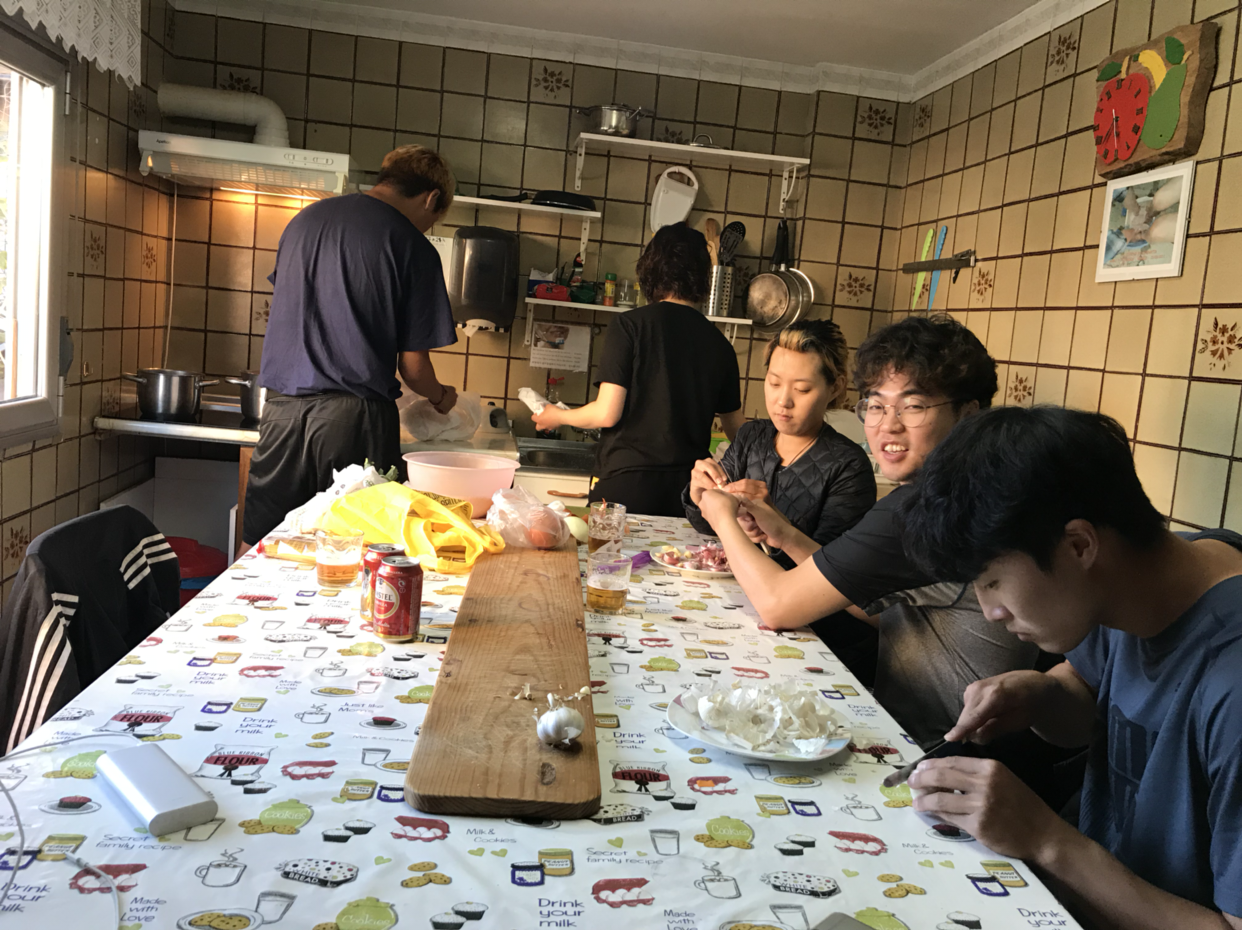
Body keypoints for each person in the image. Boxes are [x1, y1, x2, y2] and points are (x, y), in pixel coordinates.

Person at [900, 405, 1242, 930]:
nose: (990, 612)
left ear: (1079, 544)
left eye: (991, 582)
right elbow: (1091, 691)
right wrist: (1039, 694)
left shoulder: (1231, 682)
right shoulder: (1141, 577)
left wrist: (1045, 840)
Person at [695, 315, 1039, 746]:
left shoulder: (928, 508)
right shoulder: (972, 488)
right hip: (923, 735)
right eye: (876, 405)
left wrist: (721, 516)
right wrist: (784, 535)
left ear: (968, 415)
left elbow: (777, 606)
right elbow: (875, 603)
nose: (888, 425)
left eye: (913, 406)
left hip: (934, 753)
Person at [243, 145, 461, 548]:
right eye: (434, 219)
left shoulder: (303, 222)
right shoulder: (412, 246)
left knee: (265, 543)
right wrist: (442, 397)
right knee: (360, 547)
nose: (428, 228)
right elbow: (413, 369)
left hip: (281, 413)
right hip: (353, 419)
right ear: (431, 198)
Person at [532, 223, 744, 517]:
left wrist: (557, 416)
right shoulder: (719, 343)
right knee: (677, 551)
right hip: (690, 494)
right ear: (703, 276)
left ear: (650, 269)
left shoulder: (630, 325)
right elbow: (738, 432)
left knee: (610, 550)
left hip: (628, 483)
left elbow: (606, 413)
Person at [682, 319, 875, 567]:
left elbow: (837, 571)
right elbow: (710, 526)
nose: (783, 401)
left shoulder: (848, 467)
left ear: (835, 388)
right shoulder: (752, 436)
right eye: (774, 383)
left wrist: (776, 527)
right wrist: (699, 497)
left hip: (794, 591)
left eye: (802, 389)